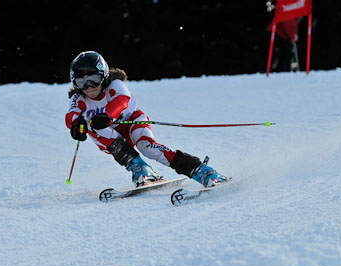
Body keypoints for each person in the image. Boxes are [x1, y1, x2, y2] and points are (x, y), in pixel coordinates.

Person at [65, 51, 227, 187]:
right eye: (82, 82)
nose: (89, 87)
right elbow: (71, 115)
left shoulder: (114, 85)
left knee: (147, 147)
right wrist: (76, 125)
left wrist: (108, 115)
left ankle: (203, 171)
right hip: (111, 137)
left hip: (132, 123)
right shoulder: (79, 98)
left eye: (93, 79)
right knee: (93, 126)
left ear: (104, 76)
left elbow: (122, 100)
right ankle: (140, 168)